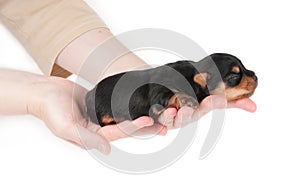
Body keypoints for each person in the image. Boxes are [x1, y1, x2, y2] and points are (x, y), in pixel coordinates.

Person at [0, 0, 256, 154]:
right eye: (236, 77)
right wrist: (30, 94)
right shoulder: (188, 81)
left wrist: (36, 89)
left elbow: (35, 6)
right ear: (203, 80)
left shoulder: (186, 73)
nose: (250, 78)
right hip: (105, 103)